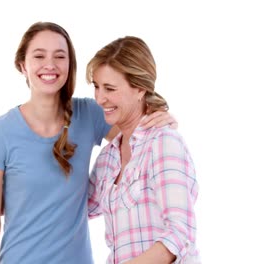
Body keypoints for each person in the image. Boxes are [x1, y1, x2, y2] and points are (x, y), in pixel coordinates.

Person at [0, 21, 176, 264]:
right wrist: (14, 200)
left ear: (70, 65)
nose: (50, 65)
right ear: (22, 65)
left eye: (60, 56)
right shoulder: (1, 131)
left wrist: (163, 118)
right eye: (39, 56)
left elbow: (140, 137)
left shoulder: (90, 114)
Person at [86, 36, 200, 263]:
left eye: (109, 88)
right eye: (97, 87)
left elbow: (180, 233)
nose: (99, 98)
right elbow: (73, 208)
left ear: (140, 89)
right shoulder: (108, 158)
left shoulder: (163, 142)